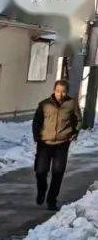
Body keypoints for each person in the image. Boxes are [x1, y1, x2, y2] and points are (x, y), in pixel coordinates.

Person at [33, 79, 82, 211]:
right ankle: (42, 190)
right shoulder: (45, 104)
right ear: (54, 90)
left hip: (62, 143)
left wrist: (74, 132)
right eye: (58, 91)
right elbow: (36, 122)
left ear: (67, 92)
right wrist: (37, 137)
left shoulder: (72, 104)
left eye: (63, 91)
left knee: (58, 172)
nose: (60, 94)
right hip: (45, 143)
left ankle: (51, 200)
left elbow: (78, 120)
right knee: (40, 171)